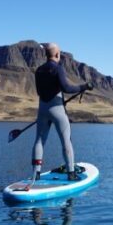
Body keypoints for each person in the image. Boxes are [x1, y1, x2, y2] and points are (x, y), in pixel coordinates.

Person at [33, 43, 93, 181]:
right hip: (58, 110)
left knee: (39, 141)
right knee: (66, 141)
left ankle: (35, 174)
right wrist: (84, 86)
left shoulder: (38, 70)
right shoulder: (58, 68)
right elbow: (66, 88)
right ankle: (71, 174)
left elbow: (39, 92)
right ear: (57, 54)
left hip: (42, 110)